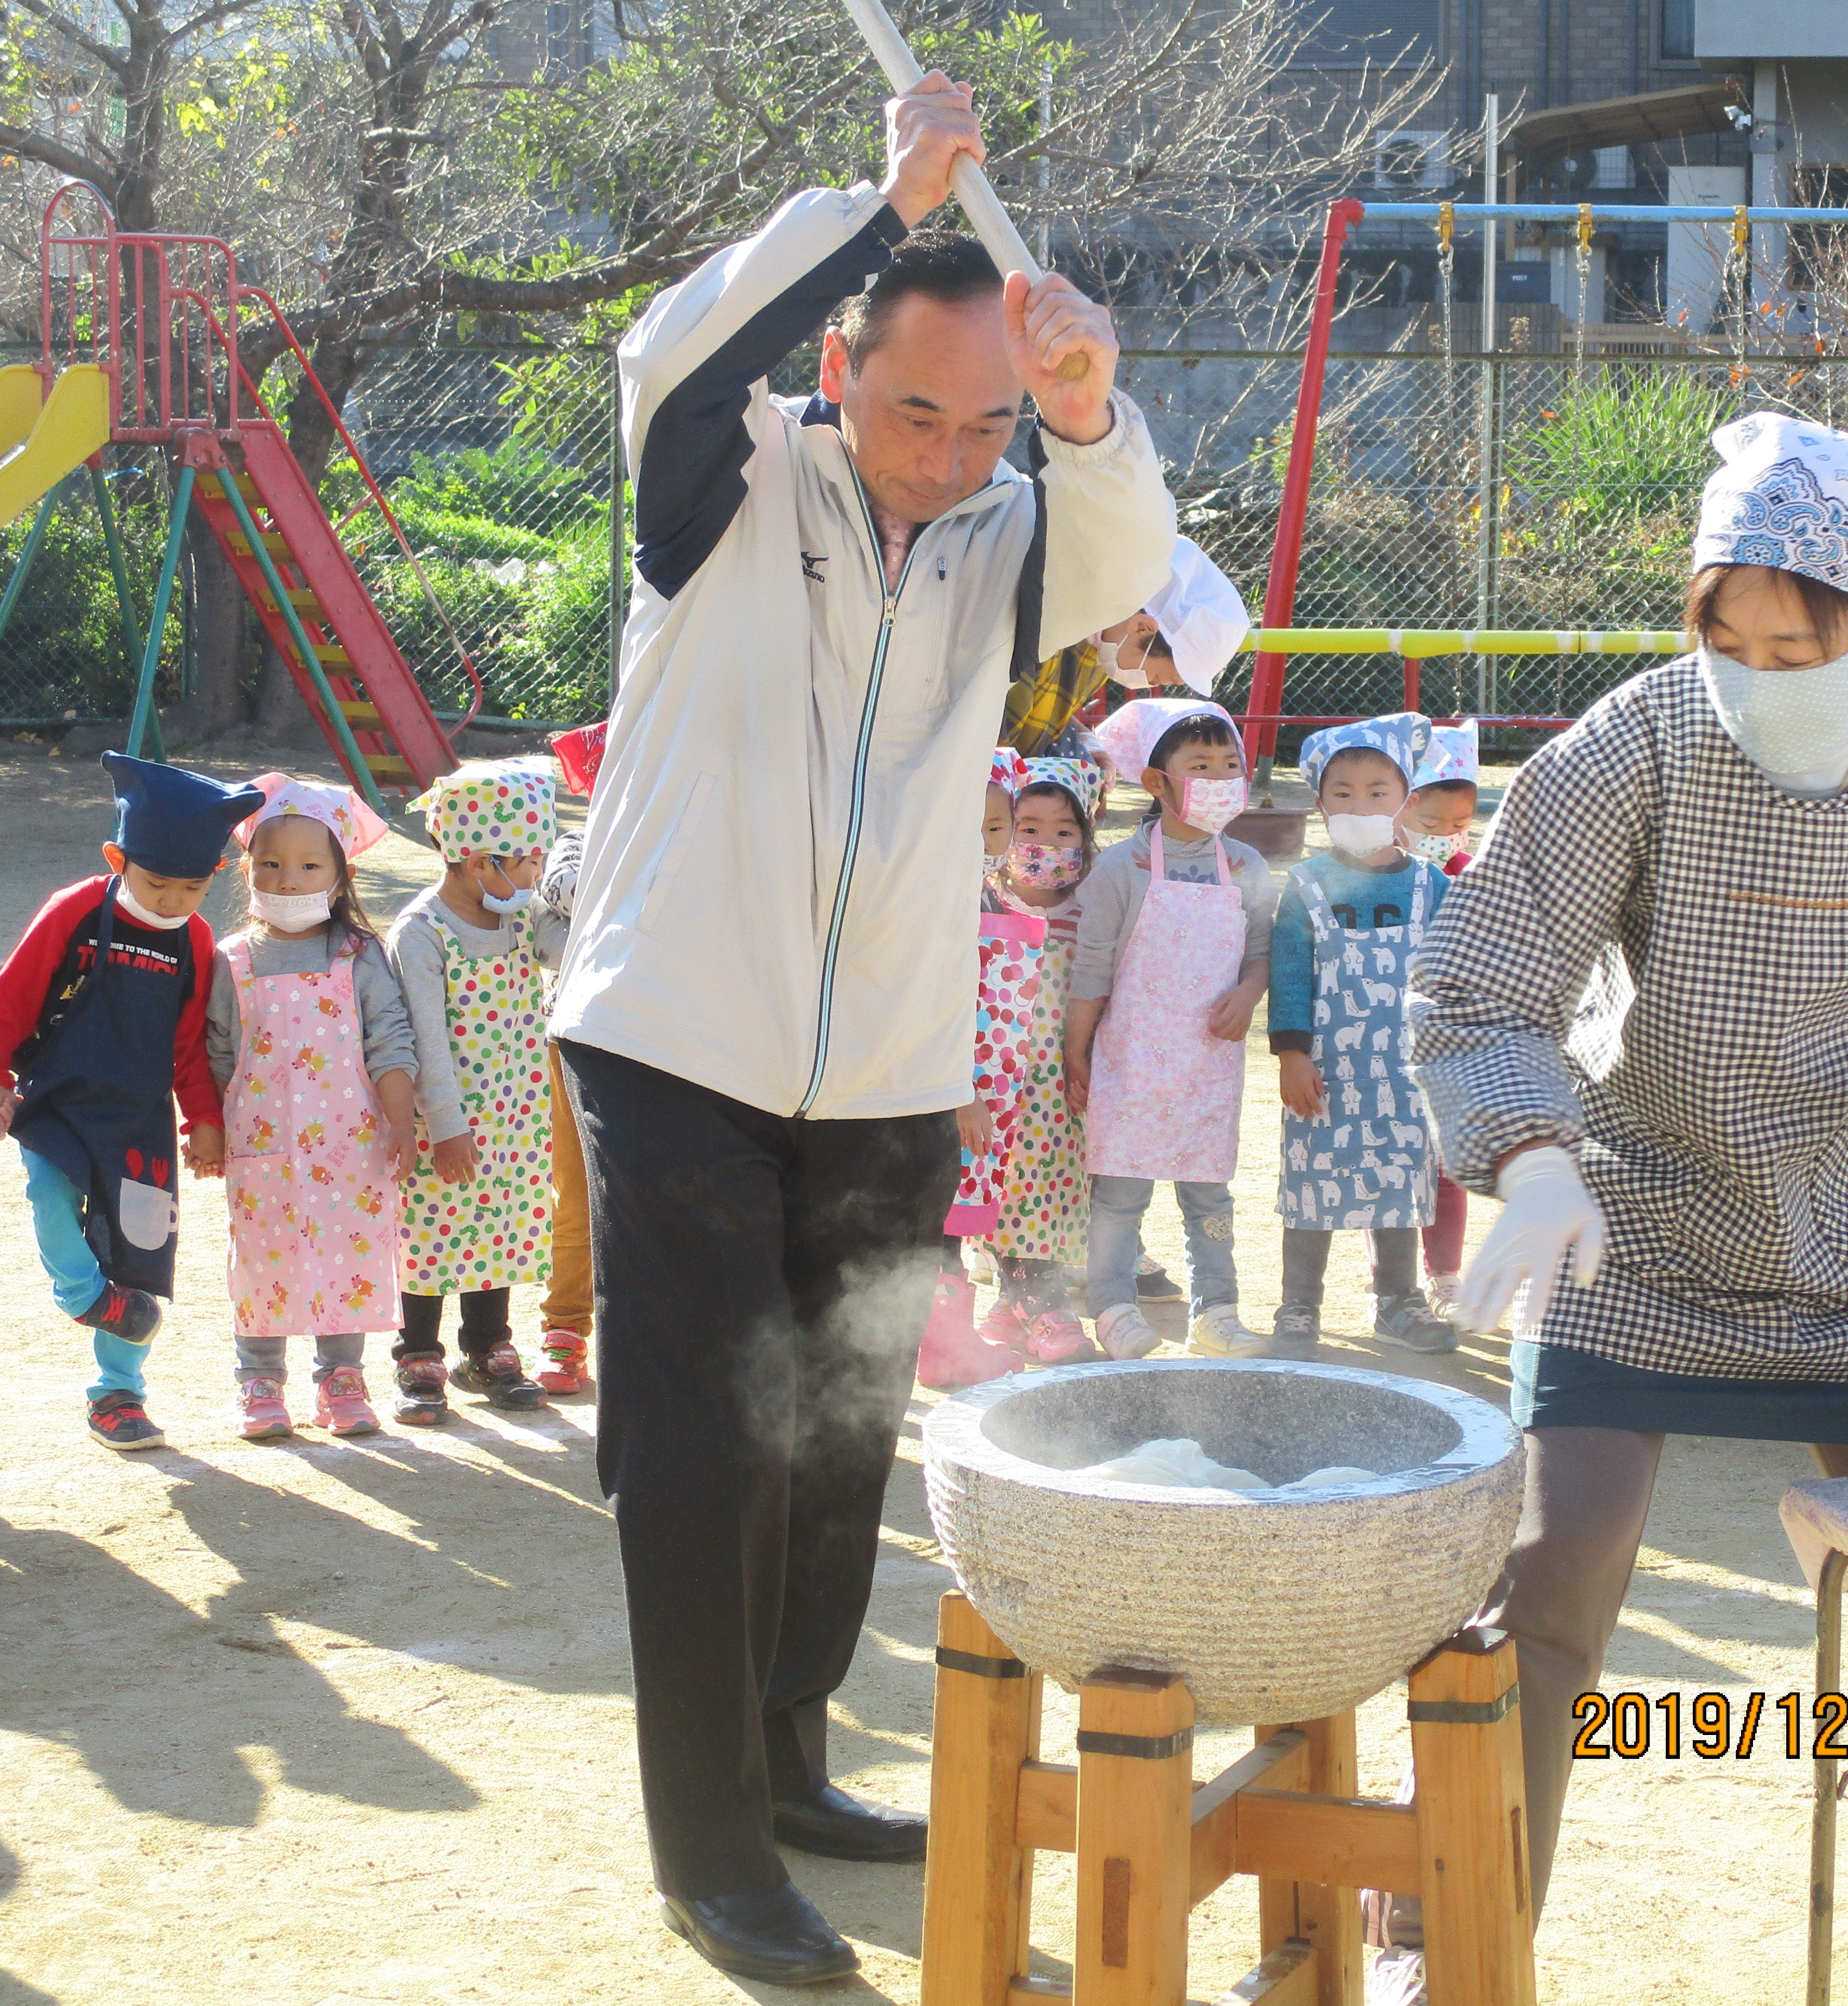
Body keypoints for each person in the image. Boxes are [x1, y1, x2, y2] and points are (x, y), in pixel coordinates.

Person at [545, 65, 1172, 1984]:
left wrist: (1086, 413)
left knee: (838, 1439)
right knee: (709, 1445)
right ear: (837, 363)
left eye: (985, 422)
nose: (942, 455)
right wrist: (873, 192)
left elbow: (1130, 566)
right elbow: (670, 348)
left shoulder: (1006, 540)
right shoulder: (721, 481)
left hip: (892, 1066)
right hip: (673, 1036)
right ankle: (709, 1849)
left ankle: (793, 1760)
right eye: (913, 409)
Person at [1406, 413, 1848, 1990]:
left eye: (1803, 641)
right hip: (1632, 1222)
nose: (1763, 672)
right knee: (1544, 1572)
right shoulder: (1635, 741)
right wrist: (1528, 1153)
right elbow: (1485, 975)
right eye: (1729, 638)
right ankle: (1452, 1910)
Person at [0, 755, 259, 1453]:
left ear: (213, 879)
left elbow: (189, 1048)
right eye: (156, 882)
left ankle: (118, 1396)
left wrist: (206, 1123)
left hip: (141, 1118)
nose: (169, 901)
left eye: (190, 888)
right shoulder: (74, 911)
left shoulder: (195, 940)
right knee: (48, 1192)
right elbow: (8, 1002)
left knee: (141, 1250)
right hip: (62, 1101)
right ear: (116, 857)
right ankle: (82, 1296)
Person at [208, 775, 418, 1440]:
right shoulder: (230, 959)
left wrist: (401, 1120)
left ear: (339, 873)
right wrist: (208, 1129)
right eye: (270, 863)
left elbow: (389, 1039)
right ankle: (260, 1380)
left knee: (347, 1256)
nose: (288, 879)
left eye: (308, 865)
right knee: (262, 1257)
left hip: (351, 1147)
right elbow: (216, 1053)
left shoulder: (360, 955)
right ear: (247, 868)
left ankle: (342, 1378)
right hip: (259, 1148)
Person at [1067, 697, 1276, 1360]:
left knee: (1209, 1193)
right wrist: (1078, 1057)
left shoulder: (1247, 866)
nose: (1221, 779)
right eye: (1201, 765)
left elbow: (1261, 949)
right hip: (1128, 1061)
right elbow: (1091, 973)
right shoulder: (1119, 870)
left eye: (1230, 764)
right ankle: (1111, 1305)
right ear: (1156, 781)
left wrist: (1249, 992)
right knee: (1120, 1192)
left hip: (1208, 1067)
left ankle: (1216, 1310)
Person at [1270, 713, 1460, 1361]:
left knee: (1400, 1183)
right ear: (1319, 802)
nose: (1359, 804)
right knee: (1312, 1186)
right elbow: (1291, 973)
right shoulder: (1304, 886)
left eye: (1377, 791)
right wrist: (1291, 1055)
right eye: (1341, 792)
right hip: (1324, 1071)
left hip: (1407, 1075)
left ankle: (1398, 1302)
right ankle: (1299, 1307)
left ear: (1405, 799)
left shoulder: (1432, 886)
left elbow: (1454, 973)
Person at [388, 758, 556, 1423]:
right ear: (477, 861)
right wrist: (448, 1123)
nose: (533, 877)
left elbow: (563, 947)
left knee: (502, 1226)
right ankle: (418, 1353)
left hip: (516, 1115)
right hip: (447, 1122)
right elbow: (427, 1040)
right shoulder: (422, 934)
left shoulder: (517, 917)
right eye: (524, 863)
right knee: (431, 1230)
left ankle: (487, 1347)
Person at [918, 751, 1049, 1389]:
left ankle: (948, 1339)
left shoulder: (987, 892)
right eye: (969, 825)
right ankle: (943, 1349)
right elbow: (937, 1002)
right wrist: (961, 1091)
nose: (985, 841)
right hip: (950, 1091)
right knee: (939, 1215)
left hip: (987, 1093)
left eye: (997, 827)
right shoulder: (935, 901)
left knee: (957, 1212)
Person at [974, 754, 1106, 1363]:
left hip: (1063, 1080)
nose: (1044, 844)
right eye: (1028, 827)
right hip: (990, 1081)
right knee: (1001, 1187)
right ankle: (1043, 1304)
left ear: (1087, 833)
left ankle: (1013, 1304)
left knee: (1052, 1189)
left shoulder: (1095, 909)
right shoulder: (983, 903)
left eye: (1064, 830)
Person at [1000, 534, 1246, 755]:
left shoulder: (1100, 644)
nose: (1147, 684)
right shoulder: (1047, 625)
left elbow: (1042, 715)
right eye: (1157, 678)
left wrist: (1087, 742)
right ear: (1142, 628)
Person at [1398, 725, 1484, 1322]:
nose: (1447, 838)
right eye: (1431, 826)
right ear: (1398, 808)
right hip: (1382, 1039)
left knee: (1446, 1168)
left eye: (1459, 825)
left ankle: (1445, 1275)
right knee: (1394, 1161)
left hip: (1450, 1043)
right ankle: (1395, 1276)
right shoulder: (1372, 874)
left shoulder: (1473, 874)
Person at [534, 720, 605, 1397]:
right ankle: (564, 1327)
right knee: (578, 1190)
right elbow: (562, 891)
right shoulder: (579, 846)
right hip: (579, 1045)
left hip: (677, 1045)